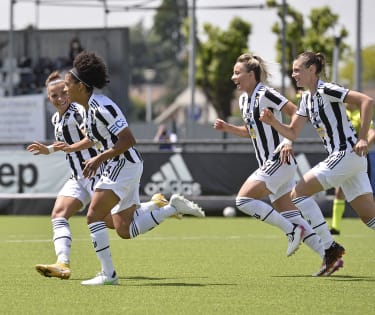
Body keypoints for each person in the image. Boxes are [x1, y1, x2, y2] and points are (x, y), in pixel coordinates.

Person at [56, 51, 205, 285]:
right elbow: (96, 139)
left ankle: (109, 275)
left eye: (67, 85)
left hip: (122, 163)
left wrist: (99, 158)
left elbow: (128, 139)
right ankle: (169, 208)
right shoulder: (87, 110)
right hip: (123, 164)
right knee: (124, 229)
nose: (65, 89)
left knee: (93, 215)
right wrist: (69, 148)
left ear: (81, 86)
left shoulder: (102, 107)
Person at [26, 71, 169, 280]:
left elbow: (92, 139)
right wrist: (50, 149)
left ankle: (153, 205)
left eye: (62, 92)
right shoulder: (56, 118)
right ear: (48, 98)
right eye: (54, 95)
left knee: (117, 224)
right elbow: (67, 145)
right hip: (77, 176)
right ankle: (62, 263)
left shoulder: (79, 111)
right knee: (58, 214)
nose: (60, 98)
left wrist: (71, 150)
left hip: (96, 172)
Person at [214, 53, 334, 275]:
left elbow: (295, 113)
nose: (233, 77)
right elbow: (252, 132)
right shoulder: (243, 100)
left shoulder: (266, 93)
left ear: (251, 75)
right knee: (289, 212)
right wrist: (228, 128)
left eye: (237, 73)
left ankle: (291, 231)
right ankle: (328, 253)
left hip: (279, 159)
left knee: (243, 200)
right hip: (270, 164)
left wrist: (288, 140)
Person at [260, 51, 375, 274]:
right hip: (350, 160)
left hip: (346, 154)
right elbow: (293, 133)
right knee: (369, 217)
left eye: (297, 70)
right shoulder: (306, 99)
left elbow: (366, 101)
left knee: (298, 193)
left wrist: (362, 137)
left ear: (311, 70)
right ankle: (330, 251)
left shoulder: (327, 89)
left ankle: (330, 248)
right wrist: (273, 121)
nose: (293, 75)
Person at [330, 104, 375, 235]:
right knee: (339, 192)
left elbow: (372, 133)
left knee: (368, 197)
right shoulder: (341, 113)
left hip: (359, 159)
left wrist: (363, 145)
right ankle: (335, 227)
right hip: (346, 159)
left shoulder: (360, 115)